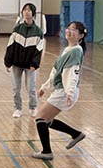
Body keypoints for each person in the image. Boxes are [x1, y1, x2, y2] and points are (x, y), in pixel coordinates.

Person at [31, 21, 87, 160]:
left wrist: (70, 92)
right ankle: (75, 134)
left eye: (74, 29)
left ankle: (47, 152)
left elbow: (71, 74)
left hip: (64, 92)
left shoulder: (76, 51)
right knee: (46, 120)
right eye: (68, 28)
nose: (69, 30)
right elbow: (55, 71)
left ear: (80, 36)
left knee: (40, 117)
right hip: (61, 90)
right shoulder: (68, 50)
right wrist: (44, 87)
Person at [4, 3, 44, 118]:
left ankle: (33, 107)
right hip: (17, 64)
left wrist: (34, 64)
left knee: (30, 88)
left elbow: (39, 50)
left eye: (29, 10)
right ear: (22, 13)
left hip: (30, 66)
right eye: (25, 10)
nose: (27, 12)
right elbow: (10, 46)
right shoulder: (17, 29)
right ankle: (17, 109)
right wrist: (8, 62)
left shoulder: (38, 32)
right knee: (16, 88)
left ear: (33, 13)